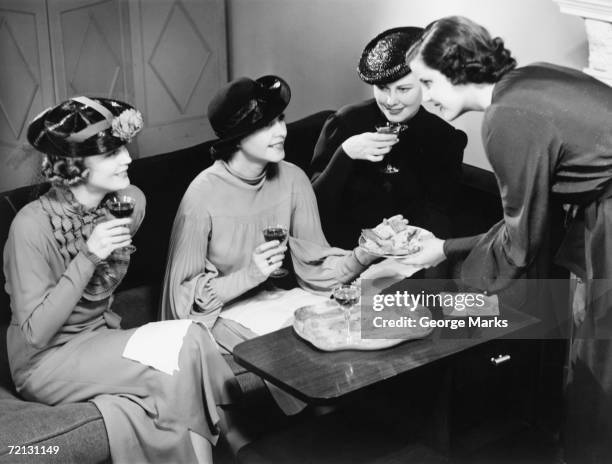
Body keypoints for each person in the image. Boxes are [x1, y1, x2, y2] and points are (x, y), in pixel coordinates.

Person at [403, 16, 612, 463]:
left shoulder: (504, 118)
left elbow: (520, 243)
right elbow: (529, 221)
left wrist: (449, 286)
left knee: (599, 372)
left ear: (457, 66)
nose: (425, 95)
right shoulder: (527, 79)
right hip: (599, 214)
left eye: (426, 80)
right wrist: (444, 248)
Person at [4, 96, 238, 463]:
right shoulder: (30, 227)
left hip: (98, 339)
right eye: (112, 153)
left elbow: (102, 285)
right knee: (181, 350)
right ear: (73, 165)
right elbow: (35, 334)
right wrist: (88, 256)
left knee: (185, 350)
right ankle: (239, 441)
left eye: (124, 147)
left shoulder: (129, 203)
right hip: (45, 362)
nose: (128, 158)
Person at [160, 75, 392, 412]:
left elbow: (315, 265)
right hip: (223, 313)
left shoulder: (293, 179)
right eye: (267, 125)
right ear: (237, 137)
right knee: (305, 358)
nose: (281, 131)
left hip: (279, 299)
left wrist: (364, 253)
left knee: (349, 326)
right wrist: (250, 275)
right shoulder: (201, 197)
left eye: (281, 119)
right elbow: (180, 303)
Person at [310, 27, 467, 257]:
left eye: (403, 89)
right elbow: (311, 208)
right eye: (382, 88)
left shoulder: (445, 137)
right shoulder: (344, 123)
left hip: (409, 257)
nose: (391, 101)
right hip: (342, 253)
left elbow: (439, 214)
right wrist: (345, 154)